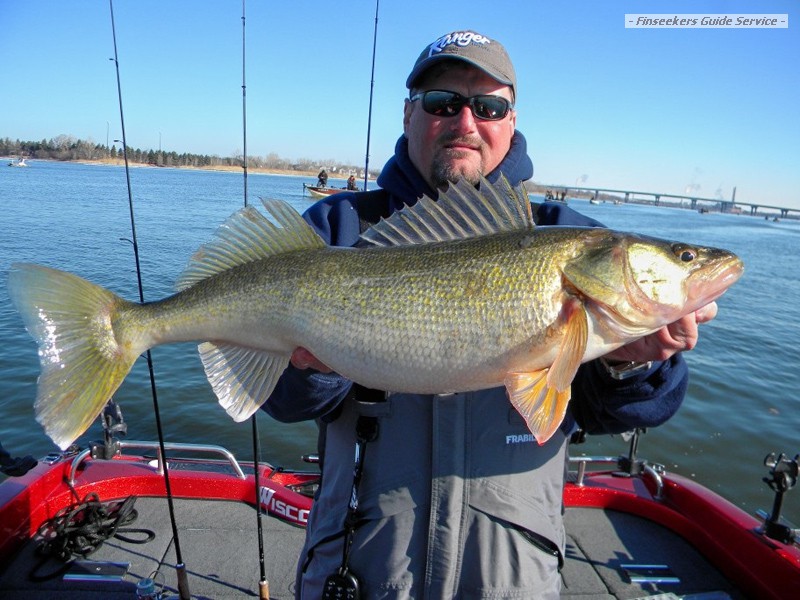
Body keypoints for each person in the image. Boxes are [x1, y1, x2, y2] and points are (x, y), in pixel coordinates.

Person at [264, 30, 717, 599]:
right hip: (362, 569)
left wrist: (632, 364)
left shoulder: (569, 236)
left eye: (489, 106)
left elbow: (631, 409)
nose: (465, 121)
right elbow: (282, 401)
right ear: (409, 114)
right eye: (442, 102)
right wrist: (315, 365)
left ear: (511, 120)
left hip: (509, 577)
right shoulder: (337, 232)